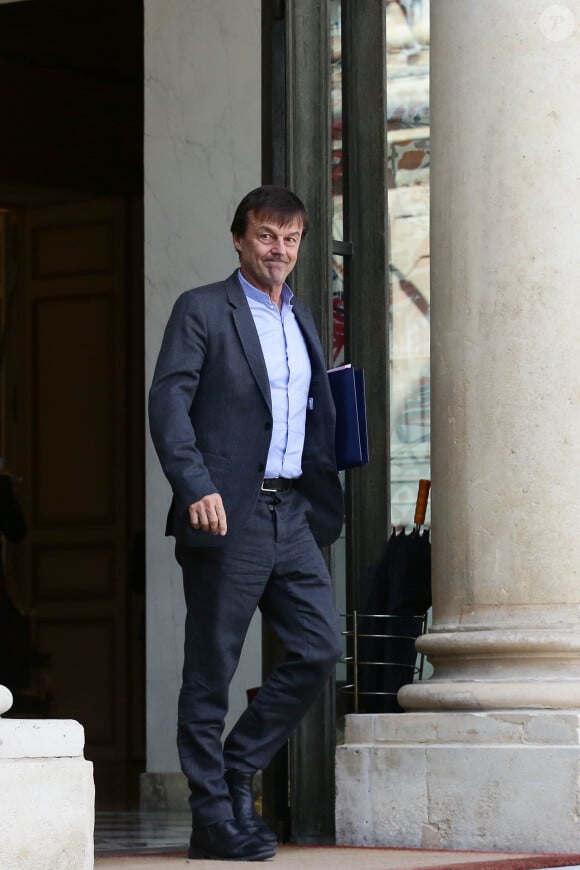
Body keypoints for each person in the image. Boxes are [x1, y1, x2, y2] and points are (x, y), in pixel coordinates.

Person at [149, 185, 344, 861]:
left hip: (291, 511)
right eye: (266, 237)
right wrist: (194, 485)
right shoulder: (202, 309)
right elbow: (168, 403)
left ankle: (234, 772)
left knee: (320, 649)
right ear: (239, 239)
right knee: (211, 672)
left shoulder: (301, 316)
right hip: (226, 511)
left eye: (291, 240)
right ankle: (212, 819)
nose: (279, 251)